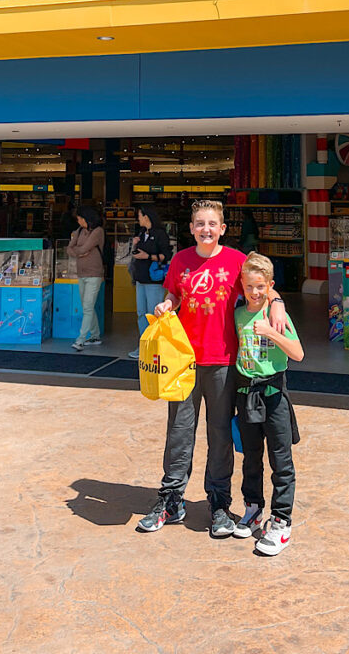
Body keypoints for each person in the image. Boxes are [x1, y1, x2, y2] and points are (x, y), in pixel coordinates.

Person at [136, 199, 288, 538]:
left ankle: (218, 503)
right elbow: (174, 294)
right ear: (191, 229)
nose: (206, 229)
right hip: (183, 362)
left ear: (222, 229)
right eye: (200, 223)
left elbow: (263, 284)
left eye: (212, 223)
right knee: (179, 431)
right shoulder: (180, 260)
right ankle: (172, 499)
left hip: (222, 361)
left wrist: (276, 304)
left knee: (219, 434)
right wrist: (167, 304)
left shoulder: (236, 261)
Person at [233, 252, 303, 555]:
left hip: (274, 396)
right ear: (242, 285)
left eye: (261, 287)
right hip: (246, 395)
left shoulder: (277, 316)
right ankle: (253, 508)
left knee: (281, 462)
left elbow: (298, 353)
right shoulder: (237, 313)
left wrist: (273, 332)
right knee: (250, 458)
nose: (255, 292)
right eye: (249, 286)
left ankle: (281, 520)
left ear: (270, 286)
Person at [128, 204, 173, 360]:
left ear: (146, 216)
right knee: (141, 314)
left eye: (139, 215)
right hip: (140, 279)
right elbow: (134, 254)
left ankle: (156, 346)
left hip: (154, 280)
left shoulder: (160, 234)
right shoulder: (141, 233)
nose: (138, 219)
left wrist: (148, 256)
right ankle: (144, 345)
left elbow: (166, 255)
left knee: (154, 314)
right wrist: (134, 245)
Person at [67, 206, 105, 351]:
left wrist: (78, 251)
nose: (77, 220)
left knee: (88, 306)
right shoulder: (79, 231)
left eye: (79, 218)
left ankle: (81, 339)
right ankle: (95, 335)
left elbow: (82, 248)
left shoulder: (98, 231)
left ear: (85, 218)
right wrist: (78, 252)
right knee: (87, 306)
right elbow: (69, 248)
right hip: (81, 273)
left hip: (94, 273)